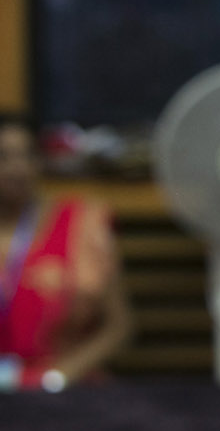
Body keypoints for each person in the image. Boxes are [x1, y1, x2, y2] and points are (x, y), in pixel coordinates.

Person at [0, 112, 132, 391]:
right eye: (4, 157)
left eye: (27, 156)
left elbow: (119, 326)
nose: (17, 168)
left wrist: (57, 377)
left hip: (68, 389)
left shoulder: (82, 225)